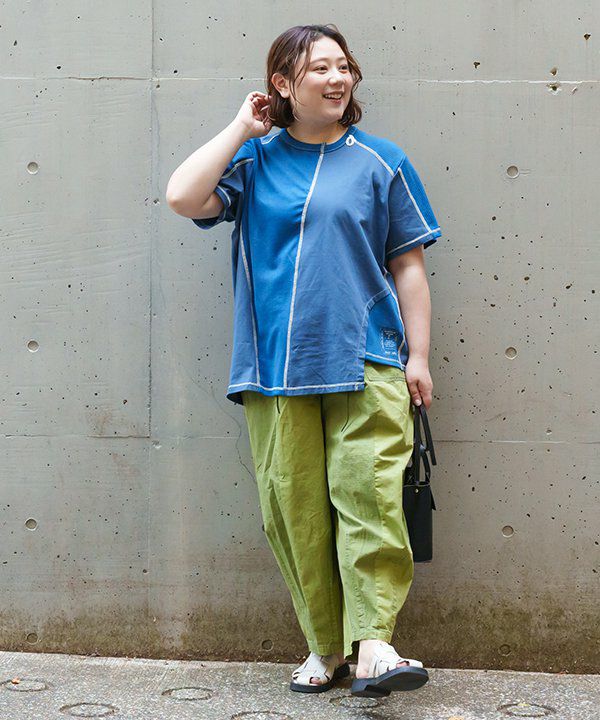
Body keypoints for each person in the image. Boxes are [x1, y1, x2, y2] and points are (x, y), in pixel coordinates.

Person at [166, 24, 442, 698]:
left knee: (370, 498)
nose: (337, 78)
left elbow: (408, 265)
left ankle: (374, 645)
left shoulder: (382, 161)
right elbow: (182, 197)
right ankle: (326, 647)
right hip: (274, 368)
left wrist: (419, 355)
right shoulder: (254, 161)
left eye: (344, 66)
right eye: (320, 68)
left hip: (367, 358)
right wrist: (242, 126)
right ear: (283, 84)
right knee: (293, 510)